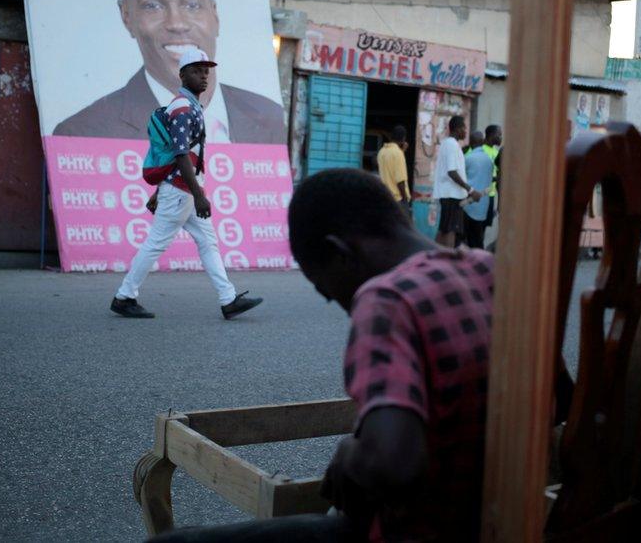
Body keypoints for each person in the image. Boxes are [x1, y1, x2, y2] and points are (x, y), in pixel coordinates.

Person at [151, 169, 495, 542]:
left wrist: (350, 452)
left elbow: (392, 464)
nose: (342, 306)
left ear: (339, 253)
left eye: (329, 291)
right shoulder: (488, 270)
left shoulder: (387, 301)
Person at [53, 0, 286, 144]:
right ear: (127, 16)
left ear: (214, 14)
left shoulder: (269, 117)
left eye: (192, 5)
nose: (177, 23)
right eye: (152, 5)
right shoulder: (84, 133)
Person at [110, 47, 263, 320]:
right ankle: (125, 296)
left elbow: (175, 154)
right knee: (156, 244)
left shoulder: (189, 105)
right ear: (182, 75)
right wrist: (199, 194)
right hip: (182, 191)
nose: (204, 76)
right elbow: (180, 154)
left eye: (206, 71)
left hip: (181, 189)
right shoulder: (183, 108)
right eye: (196, 71)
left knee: (208, 242)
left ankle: (228, 299)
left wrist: (163, 191)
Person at [432, 116, 481, 247]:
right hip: (451, 195)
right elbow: (452, 172)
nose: (466, 131)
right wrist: (470, 190)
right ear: (458, 129)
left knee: (444, 229)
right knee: (450, 230)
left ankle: (433, 256)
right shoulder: (452, 145)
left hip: (450, 195)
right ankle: (447, 260)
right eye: (464, 128)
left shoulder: (449, 144)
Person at [463, 131, 494, 249]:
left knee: (465, 240)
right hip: (483, 206)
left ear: (471, 143)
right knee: (478, 239)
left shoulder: (468, 158)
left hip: (468, 205)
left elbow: (460, 179)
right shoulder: (489, 160)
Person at [376, 125, 410, 213]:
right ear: (403, 138)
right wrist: (405, 199)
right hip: (397, 199)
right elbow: (400, 181)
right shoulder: (398, 154)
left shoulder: (382, 152)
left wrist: (402, 151)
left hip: (385, 197)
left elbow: (390, 168)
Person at [481, 124, 502, 244]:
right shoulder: (481, 150)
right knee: (479, 226)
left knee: (485, 226)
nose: (501, 137)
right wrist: (495, 178)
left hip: (491, 194)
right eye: (499, 134)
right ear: (491, 135)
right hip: (481, 194)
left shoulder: (496, 152)